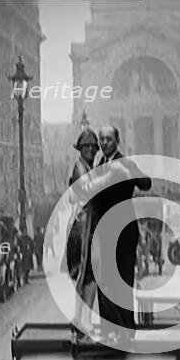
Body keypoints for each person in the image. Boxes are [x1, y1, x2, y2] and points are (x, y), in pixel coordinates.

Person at [94, 125, 152, 340]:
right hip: (104, 232)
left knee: (123, 280)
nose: (104, 143)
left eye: (108, 138)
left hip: (125, 232)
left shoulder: (126, 163)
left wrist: (129, 175)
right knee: (105, 281)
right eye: (102, 139)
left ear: (117, 141)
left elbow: (146, 183)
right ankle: (108, 329)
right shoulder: (98, 166)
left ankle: (127, 329)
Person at [67, 128, 102, 337]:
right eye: (86, 146)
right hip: (83, 228)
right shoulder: (81, 169)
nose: (90, 149)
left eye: (92, 146)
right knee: (86, 274)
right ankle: (83, 318)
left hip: (87, 225)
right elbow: (89, 193)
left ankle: (81, 318)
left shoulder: (88, 167)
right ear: (80, 148)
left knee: (88, 275)